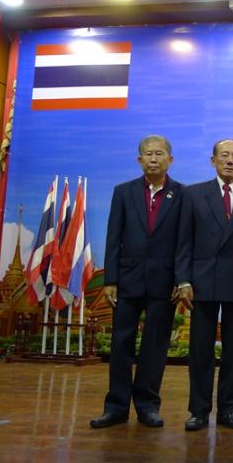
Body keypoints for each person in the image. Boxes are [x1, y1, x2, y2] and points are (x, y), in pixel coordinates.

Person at [90, 135, 183, 429]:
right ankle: (116, 407)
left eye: (159, 153)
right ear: (139, 160)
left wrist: (181, 280)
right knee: (121, 344)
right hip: (127, 281)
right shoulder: (124, 192)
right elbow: (113, 237)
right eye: (148, 154)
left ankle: (147, 406)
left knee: (155, 346)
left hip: (164, 283)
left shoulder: (182, 195)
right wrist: (110, 280)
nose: (154, 158)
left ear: (170, 159)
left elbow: (184, 243)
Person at [174, 139, 233, 431]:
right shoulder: (193, 194)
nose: (230, 161)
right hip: (201, 283)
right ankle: (198, 410)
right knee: (200, 351)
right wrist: (183, 280)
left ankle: (229, 410)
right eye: (224, 155)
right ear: (213, 160)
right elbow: (183, 241)